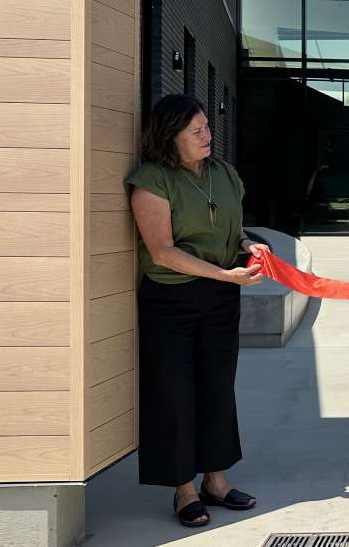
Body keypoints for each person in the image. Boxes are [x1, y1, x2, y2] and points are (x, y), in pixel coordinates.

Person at [127, 94, 268, 528]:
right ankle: (184, 490)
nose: (209, 136)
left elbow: (233, 226)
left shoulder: (223, 173)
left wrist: (247, 245)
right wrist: (226, 276)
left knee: (217, 387)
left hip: (220, 299)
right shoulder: (152, 179)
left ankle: (217, 481)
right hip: (171, 299)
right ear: (171, 137)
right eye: (197, 131)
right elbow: (163, 252)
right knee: (174, 393)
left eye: (208, 127)